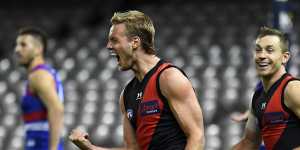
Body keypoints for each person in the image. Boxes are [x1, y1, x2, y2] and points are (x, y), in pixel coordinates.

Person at [69, 10, 205, 150]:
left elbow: (196, 137)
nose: (108, 46)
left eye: (114, 40)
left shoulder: (169, 78)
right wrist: (90, 148)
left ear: (135, 42)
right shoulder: (126, 95)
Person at [233, 26, 300, 150]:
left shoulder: (292, 89)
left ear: (285, 57)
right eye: (258, 50)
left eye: (270, 50)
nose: (262, 56)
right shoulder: (257, 97)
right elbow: (249, 142)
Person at [15, 27, 64, 150]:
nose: (17, 49)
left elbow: (56, 109)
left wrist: (53, 148)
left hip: (42, 145)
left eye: (23, 45)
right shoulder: (46, 73)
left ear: (38, 49)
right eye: (17, 45)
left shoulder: (39, 76)